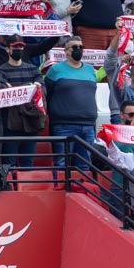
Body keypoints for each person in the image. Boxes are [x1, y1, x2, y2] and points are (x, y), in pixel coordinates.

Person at [44, 36, 99, 170]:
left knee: (85, 164)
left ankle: (83, 190)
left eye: (81, 47)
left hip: (88, 125)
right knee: (61, 163)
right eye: (75, 47)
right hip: (63, 124)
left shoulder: (91, 69)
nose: (78, 50)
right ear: (66, 51)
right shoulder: (55, 70)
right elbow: (47, 93)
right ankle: (60, 190)